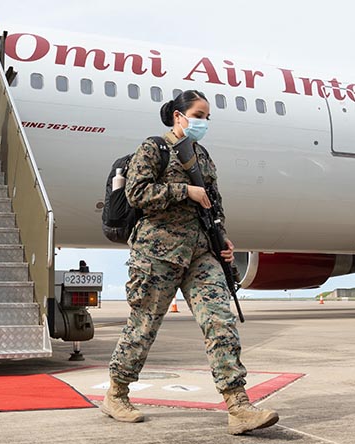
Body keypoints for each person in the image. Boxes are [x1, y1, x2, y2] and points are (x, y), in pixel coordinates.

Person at [102, 90, 279, 435]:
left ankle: (238, 405)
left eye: (207, 117)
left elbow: (213, 202)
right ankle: (116, 394)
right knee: (144, 327)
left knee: (220, 321)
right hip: (157, 253)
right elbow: (137, 194)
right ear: (178, 116)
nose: (203, 122)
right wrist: (184, 192)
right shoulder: (153, 149)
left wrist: (223, 239)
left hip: (201, 252)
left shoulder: (202, 156)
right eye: (198, 114)